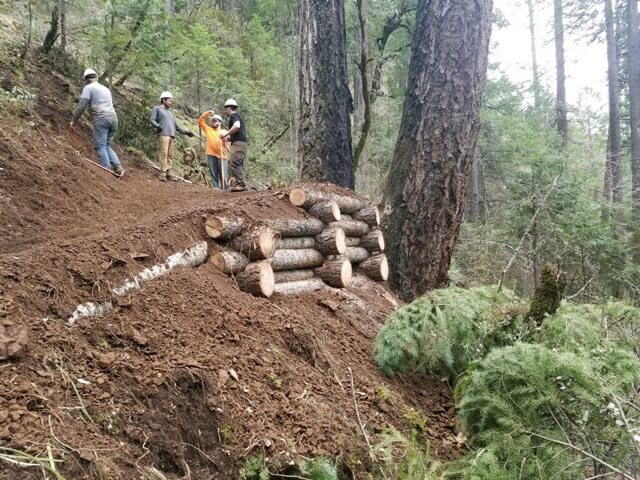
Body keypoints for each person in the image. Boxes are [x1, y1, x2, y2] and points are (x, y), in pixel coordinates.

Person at [69, 68, 124, 177]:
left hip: (102, 118)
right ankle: (118, 167)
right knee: (107, 145)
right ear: (96, 77)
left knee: (100, 146)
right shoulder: (105, 88)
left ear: (86, 80)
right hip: (114, 118)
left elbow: (82, 105)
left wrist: (73, 120)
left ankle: (105, 170)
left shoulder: (88, 88)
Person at [150, 91, 194, 181]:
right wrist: (158, 126)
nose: (171, 103)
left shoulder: (171, 113)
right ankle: (162, 173)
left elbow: (177, 127)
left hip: (172, 136)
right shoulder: (157, 108)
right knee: (164, 153)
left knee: (170, 155)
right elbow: (152, 120)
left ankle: (168, 173)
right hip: (163, 134)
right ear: (164, 100)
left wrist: (186, 132)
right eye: (170, 101)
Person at [221, 98, 248, 191]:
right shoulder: (237, 116)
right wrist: (229, 138)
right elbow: (238, 131)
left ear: (229, 108)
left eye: (225, 109)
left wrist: (226, 133)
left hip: (238, 143)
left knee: (235, 162)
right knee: (238, 162)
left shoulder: (234, 116)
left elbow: (237, 126)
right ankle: (239, 183)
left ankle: (241, 184)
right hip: (240, 142)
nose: (225, 111)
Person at [198, 110, 229, 190]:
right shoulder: (208, 129)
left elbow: (229, 140)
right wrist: (207, 113)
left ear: (220, 122)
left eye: (216, 121)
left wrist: (226, 138)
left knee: (223, 174)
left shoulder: (224, 131)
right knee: (213, 173)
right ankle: (216, 188)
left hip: (222, 155)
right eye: (213, 121)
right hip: (211, 154)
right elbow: (200, 121)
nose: (214, 122)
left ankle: (225, 189)